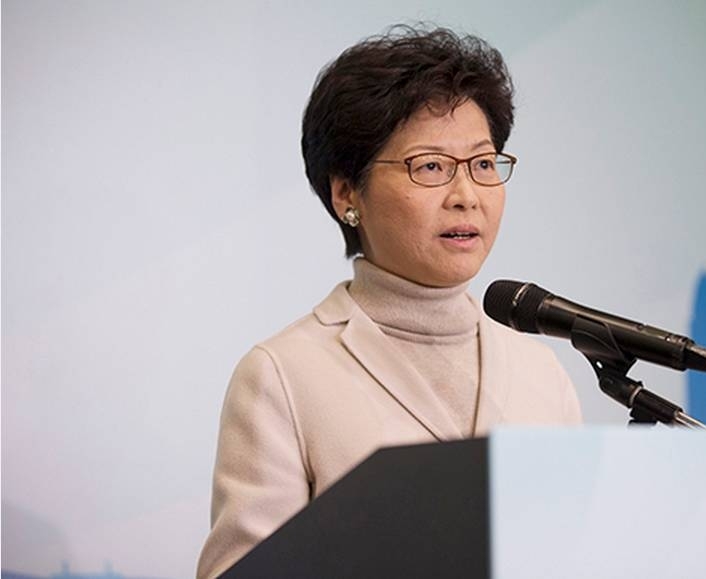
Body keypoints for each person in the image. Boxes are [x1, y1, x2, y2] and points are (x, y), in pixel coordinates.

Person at [196, 24, 582, 579]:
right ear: (346, 193)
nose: (466, 196)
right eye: (430, 167)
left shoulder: (538, 369)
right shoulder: (282, 376)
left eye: (481, 163)